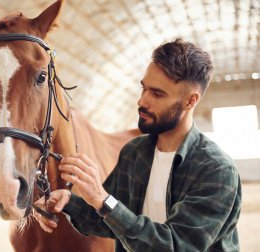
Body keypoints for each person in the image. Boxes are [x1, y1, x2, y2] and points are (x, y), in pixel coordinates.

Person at [34, 38, 241, 251]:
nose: (142, 101)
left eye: (158, 94)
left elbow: (175, 246)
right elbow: (111, 220)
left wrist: (102, 199)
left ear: (190, 101)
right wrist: (69, 202)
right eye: (144, 89)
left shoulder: (217, 171)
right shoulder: (134, 153)